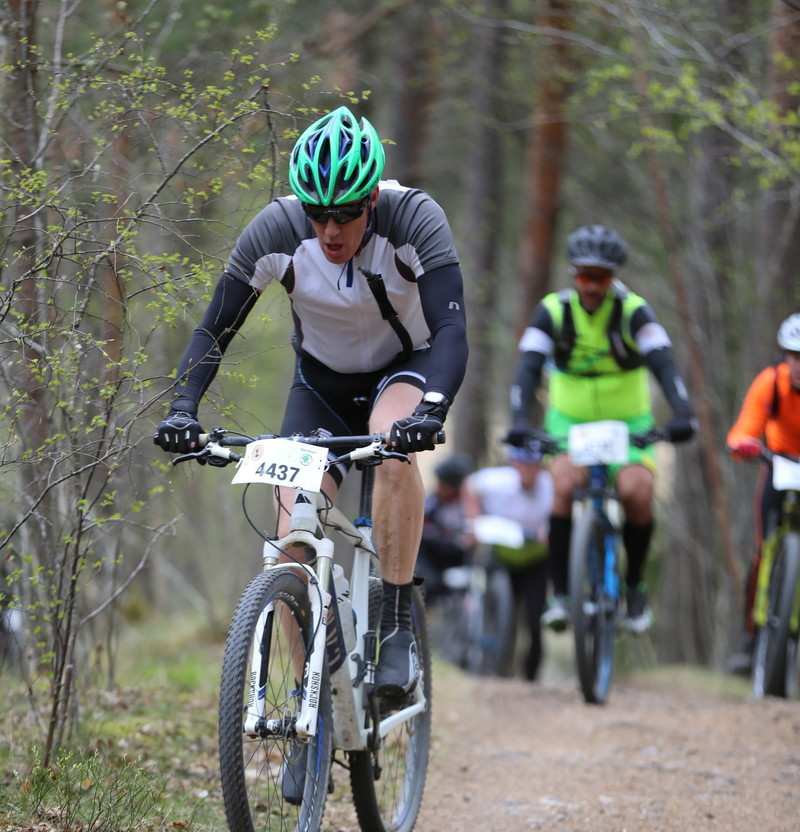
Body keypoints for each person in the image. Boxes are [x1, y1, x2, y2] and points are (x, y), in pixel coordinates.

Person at [154, 106, 468, 706]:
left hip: (405, 370)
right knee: (292, 534)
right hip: (320, 385)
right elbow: (213, 332)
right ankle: (308, 704)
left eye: (345, 214)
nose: (330, 231)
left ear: (371, 199)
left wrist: (431, 409)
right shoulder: (274, 230)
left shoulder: (416, 218)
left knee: (394, 443)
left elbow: (452, 330)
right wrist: (182, 411)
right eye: (317, 214)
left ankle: (397, 619)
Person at [508, 224, 695, 635]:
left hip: (628, 425)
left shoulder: (633, 310)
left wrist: (682, 410)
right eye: (584, 276)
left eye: (602, 278)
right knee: (560, 487)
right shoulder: (553, 311)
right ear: (572, 274)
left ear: (614, 277)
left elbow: (663, 360)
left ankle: (634, 587)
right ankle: (561, 594)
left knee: (637, 492)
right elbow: (526, 369)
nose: (592, 286)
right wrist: (520, 421)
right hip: (570, 424)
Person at [725, 313, 800, 675]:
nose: (799, 365)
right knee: (762, 549)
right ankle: (750, 637)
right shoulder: (770, 383)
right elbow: (745, 427)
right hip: (778, 465)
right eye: (794, 355)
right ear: (784, 356)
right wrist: (743, 444)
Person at [462, 444, 553, 682]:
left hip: (535, 560)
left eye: (534, 466)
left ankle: (530, 677)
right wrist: (474, 520)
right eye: (523, 465)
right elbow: (469, 486)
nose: (529, 471)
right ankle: (490, 662)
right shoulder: (498, 481)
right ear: (514, 464)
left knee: (535, 620)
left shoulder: (549, 486)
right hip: (501, 556)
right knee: (497, 609)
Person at [415, 453, 473, 602]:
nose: (440, 488)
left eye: (444, 484)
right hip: (433, 561)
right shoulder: (431, 504)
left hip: (459, 559)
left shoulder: (467, 505)